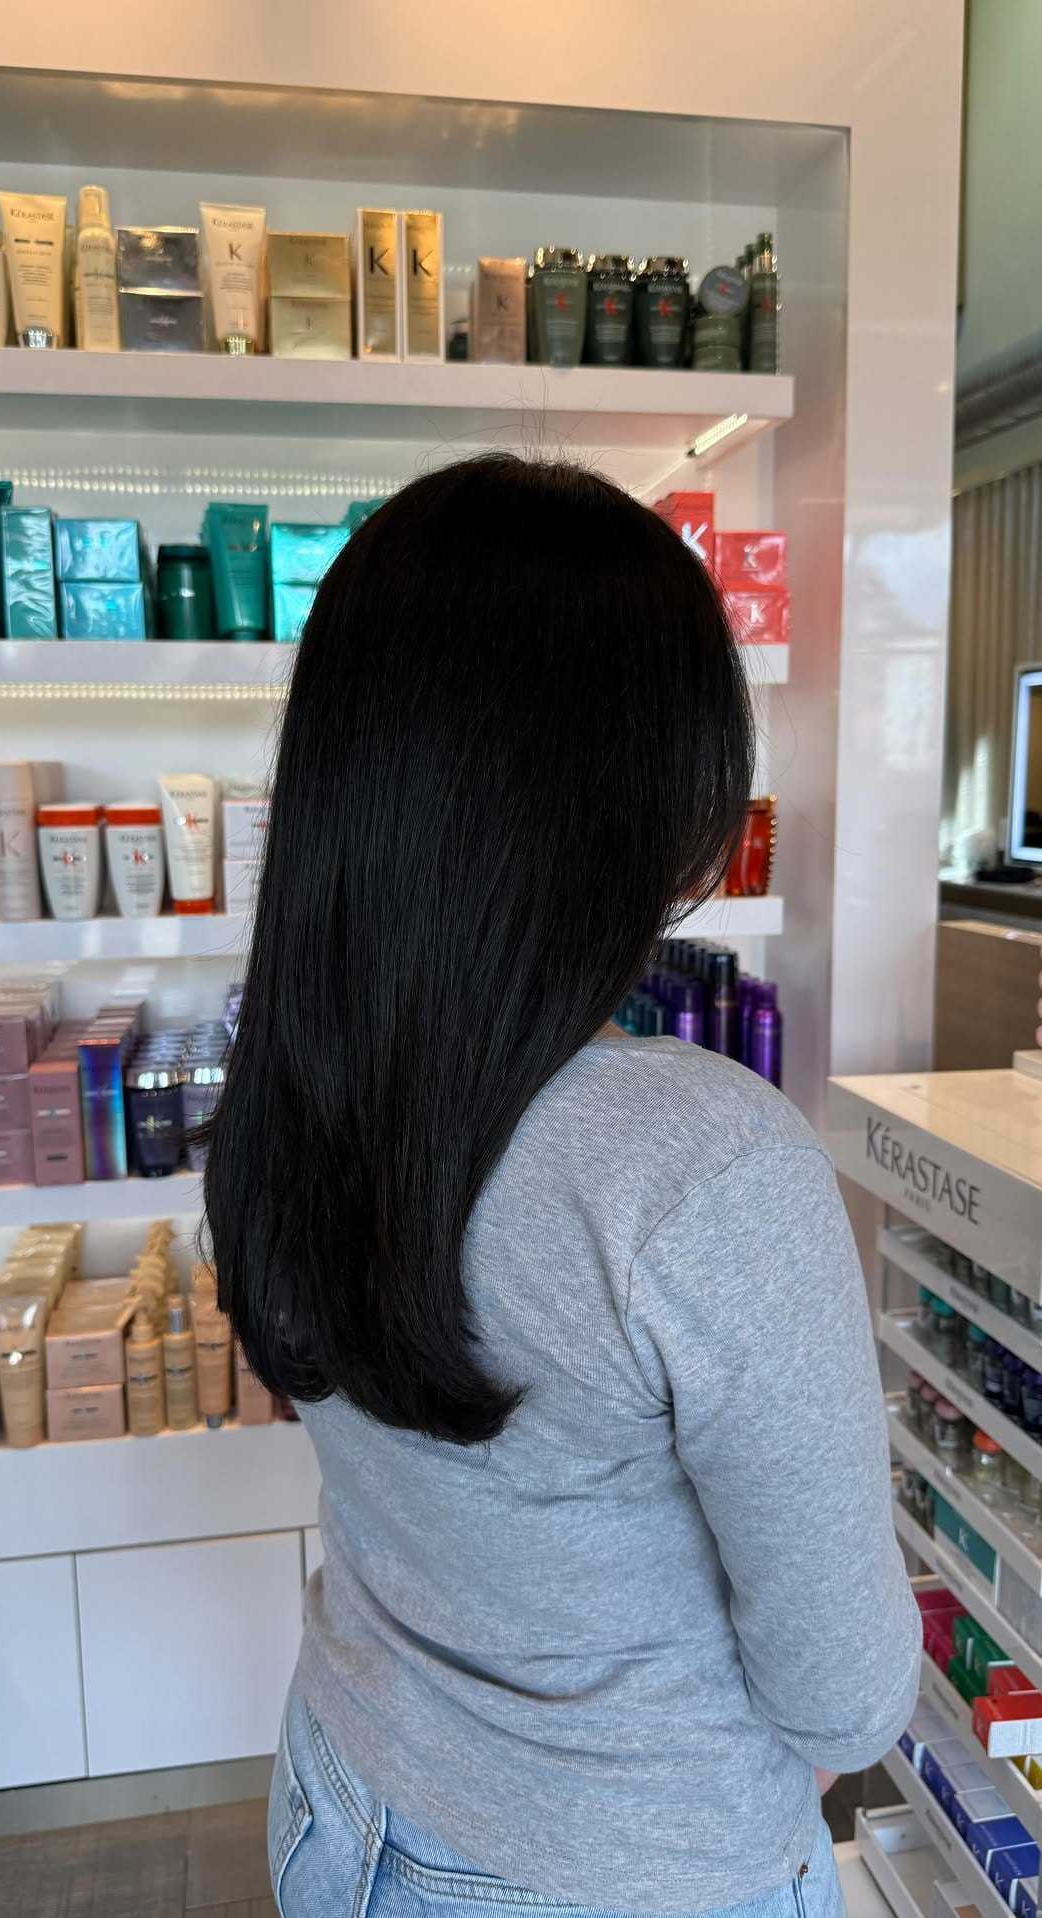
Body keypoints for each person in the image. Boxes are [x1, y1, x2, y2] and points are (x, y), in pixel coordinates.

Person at [205, 455, 920, 1918]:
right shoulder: (705, 1166)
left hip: (343, 1793)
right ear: (636, 796)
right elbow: (847, 1700)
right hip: (625, 1868)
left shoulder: (299, 1079)